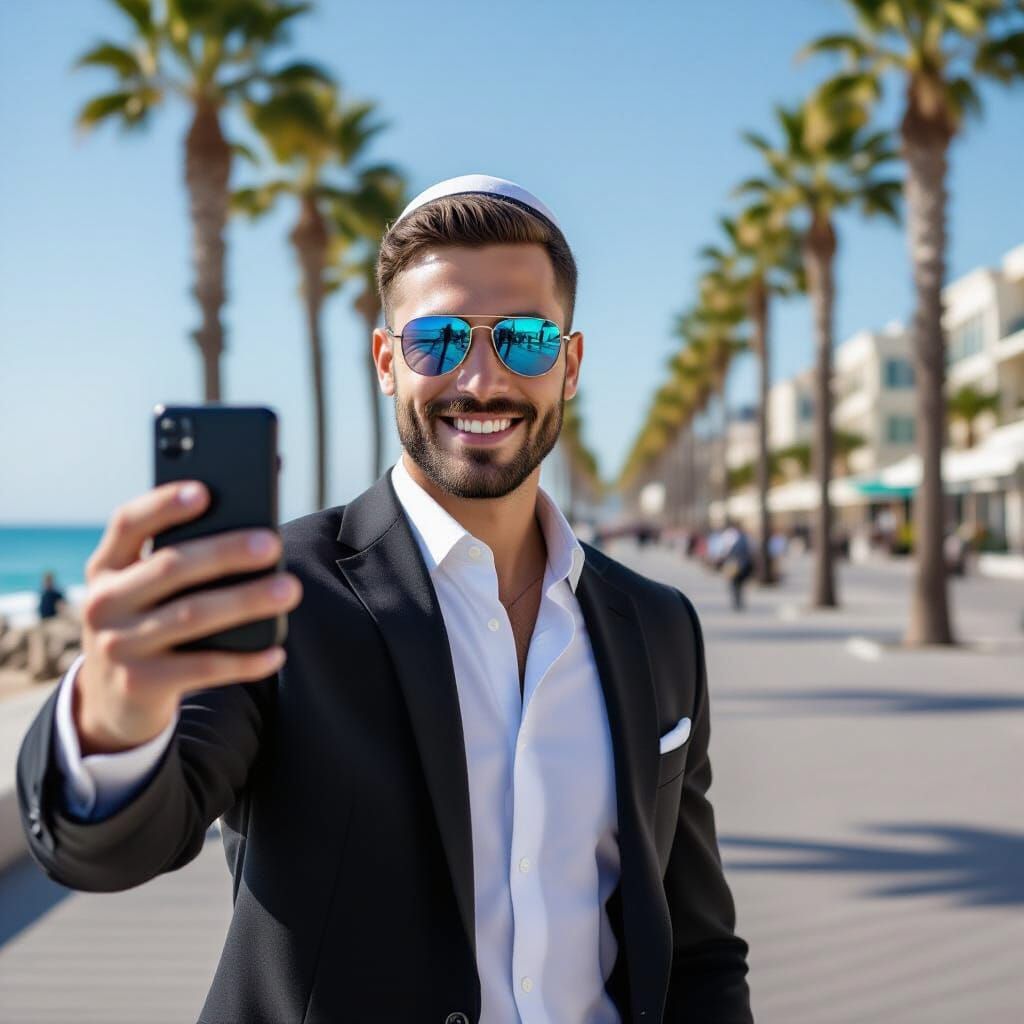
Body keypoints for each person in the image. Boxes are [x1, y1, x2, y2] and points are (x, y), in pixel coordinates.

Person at [17, 175, 752, 1024]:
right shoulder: (279, 587)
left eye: (521, 338)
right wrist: (109, 713)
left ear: (570, 365)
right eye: (437, 340)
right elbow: (113, 846)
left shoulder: (659, 626)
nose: (481, 379)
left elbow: (697, 948)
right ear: (385, 362)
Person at [719, 521, 754, 610]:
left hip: (736, 565)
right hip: (741, 565)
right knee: (738, 586)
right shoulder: (744, 538)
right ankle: (738, 603)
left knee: (735, 585)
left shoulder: (734, 539)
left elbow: (726, 552)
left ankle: (737, 603)